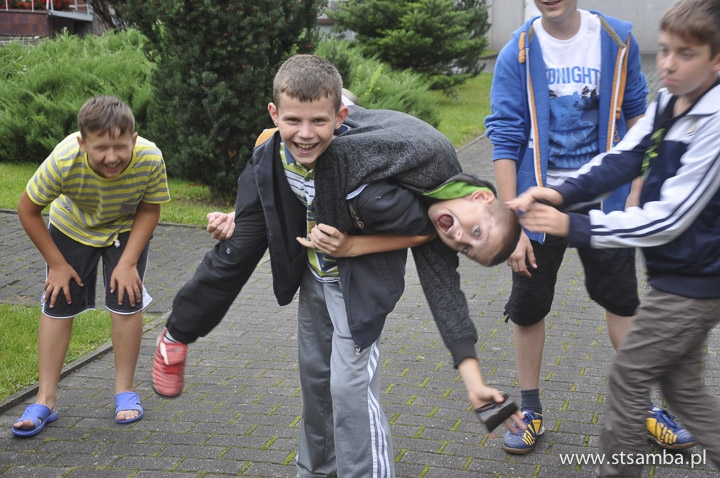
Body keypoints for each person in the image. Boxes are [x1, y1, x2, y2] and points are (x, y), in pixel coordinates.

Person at [151, 54, 522, 478]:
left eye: (469, 251)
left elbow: (445, 294)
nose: (461, 240)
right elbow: (319, 147)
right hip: (315, 270)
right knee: (315, 385)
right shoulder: (426, 155)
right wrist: (255, 211)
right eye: (476, 232)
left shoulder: (441, 222)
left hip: (357, 287)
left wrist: (474, 381)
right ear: (480, 198)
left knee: (349, 391)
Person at [508, 0, 720, 473]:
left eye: (685, 54)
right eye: (664, 50)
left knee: (628, 380)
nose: (668, 64)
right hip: (677, 277)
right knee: (686, 392)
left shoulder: (714, 122)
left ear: (716, 61)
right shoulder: (671, 102)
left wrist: (574, 225)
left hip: (695, 284)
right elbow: (622, 157)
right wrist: (561, 194)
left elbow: (668, 219)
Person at [11, 96, 170, 437]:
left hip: (124, 227)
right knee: (57, 301)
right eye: (101, 148)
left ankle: (124, 391)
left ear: (134, 139)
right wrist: (56, 264)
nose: (112, 157)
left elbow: (150, 208)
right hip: (72, 227)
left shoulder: (149, 158)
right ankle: (45, 399)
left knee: (127, 299)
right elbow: (27, 209)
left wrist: (128, 262)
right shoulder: (64, 160)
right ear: (82, 143)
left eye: (120, 147)